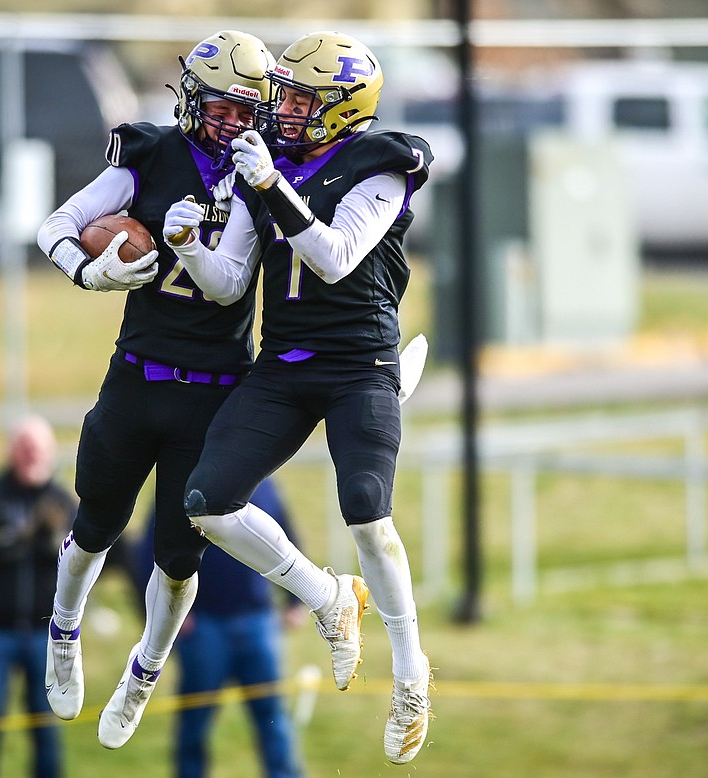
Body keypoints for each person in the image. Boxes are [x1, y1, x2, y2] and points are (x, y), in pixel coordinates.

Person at [35, 30, 366, 753]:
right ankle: (63, 631)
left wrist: (186, 243)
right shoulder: (151, 152)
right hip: (137, 376)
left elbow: (227, 288)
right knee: (96, 523)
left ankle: (145, 670)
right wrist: (88, 272)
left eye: (244, 110)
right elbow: (56, 225)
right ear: (191, 98)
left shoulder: (262, 174)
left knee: (178, 558)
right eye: (218, 108)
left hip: (213, 392)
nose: (229, 123)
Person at [163, 31, 434, 765]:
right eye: (288, 94)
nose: (287, 109)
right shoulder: (271, 162)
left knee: (367, 511)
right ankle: (327, 597)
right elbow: (227, 282)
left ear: (346, 110)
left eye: (307, 99)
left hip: (358, 362)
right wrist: (187, 243)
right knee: (206, 501)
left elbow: (335, 257)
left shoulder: (380, 165)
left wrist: (268, 186)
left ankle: (411, 670)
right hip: (283, 365)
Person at [126, 478, 305, 778]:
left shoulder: (264, 482)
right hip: (204, 628)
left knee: (274, 721)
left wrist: (295, 599)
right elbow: (148, 552)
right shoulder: (182, 482)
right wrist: (166, 615)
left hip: (258, 621)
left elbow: (286, 537)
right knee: (194, 725)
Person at [0, 415, 77, 778]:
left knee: (46, 730)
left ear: (49, 453)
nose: (31, 455)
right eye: (24, 447)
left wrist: (42, 536)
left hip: (46, 636)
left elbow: (67, 554)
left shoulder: (64, 500)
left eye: (38, 448)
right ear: (12, 450)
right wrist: (33, 532)